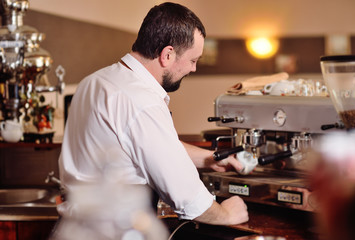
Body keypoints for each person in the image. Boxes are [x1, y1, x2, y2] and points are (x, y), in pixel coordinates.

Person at [58, 2, 248, 226]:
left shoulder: (94, 82)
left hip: (71, 228)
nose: (193, 69)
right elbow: (186, 196)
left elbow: (144, 145)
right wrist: (227, 214)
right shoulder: (142, 101)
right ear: (167, 55)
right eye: (193, 60)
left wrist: (210, 159)